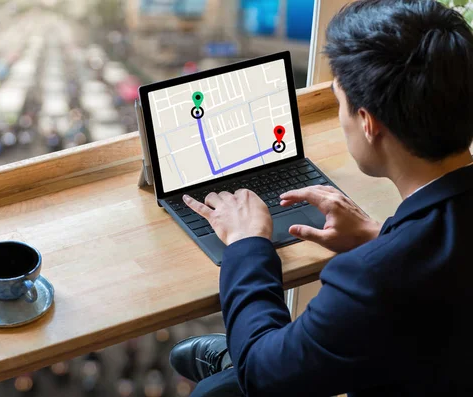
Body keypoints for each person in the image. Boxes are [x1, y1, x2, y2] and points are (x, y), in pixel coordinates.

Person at [168, 1, 473, 396]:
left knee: (216, 389)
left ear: (368, 123)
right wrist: (380, 236)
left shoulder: (372, 279)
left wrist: (247, 244)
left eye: (338, 102)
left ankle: (237, 353)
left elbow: (263, 377)